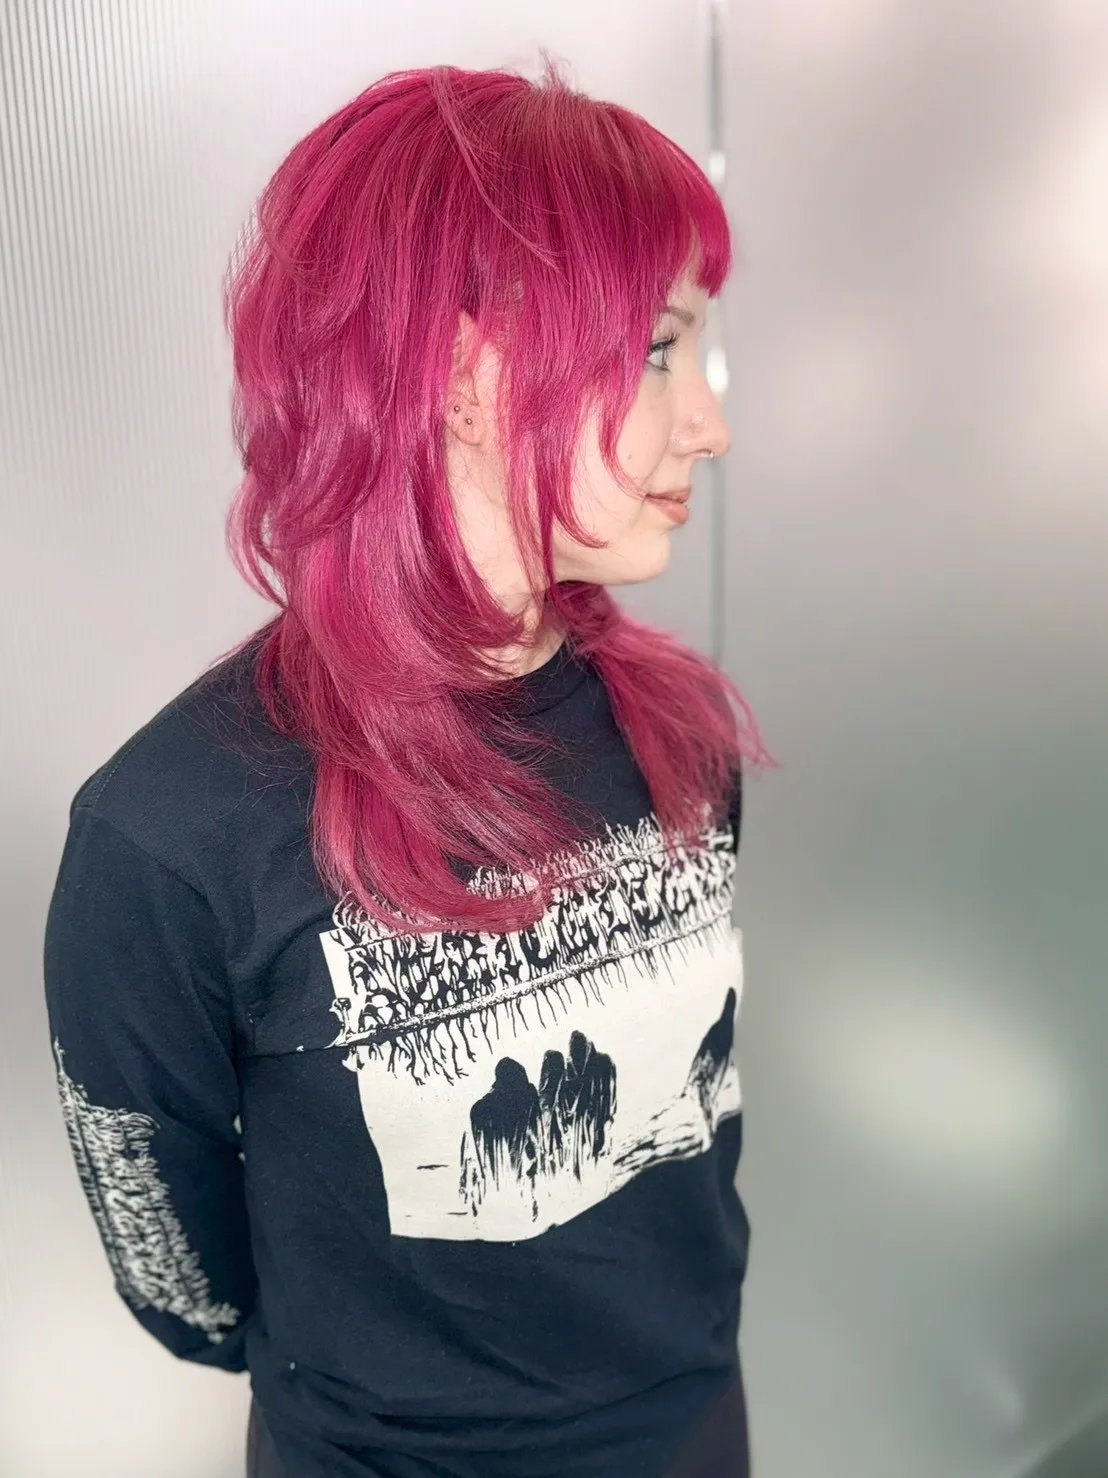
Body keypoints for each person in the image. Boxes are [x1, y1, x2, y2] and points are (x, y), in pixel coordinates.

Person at [42, 60, 774, 1478]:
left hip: (690, 1422)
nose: (710, 422)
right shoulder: (176, 832)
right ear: (461, 371)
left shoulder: (677, 730)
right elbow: (173, 1259)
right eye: (656, 349)